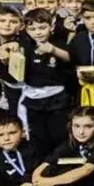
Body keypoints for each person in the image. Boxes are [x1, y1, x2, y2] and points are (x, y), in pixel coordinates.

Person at [18, 8, 73, 149]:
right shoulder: (25, 47)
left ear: (51, 27)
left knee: (60, 135)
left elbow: (69, 57)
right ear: (26, 30)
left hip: (57, 98)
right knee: (38, 137)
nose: (38, 32)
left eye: (42, 27)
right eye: (32, 29)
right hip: (33, 98)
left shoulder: (58, 43)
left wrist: (53, 50)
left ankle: (61, 160)